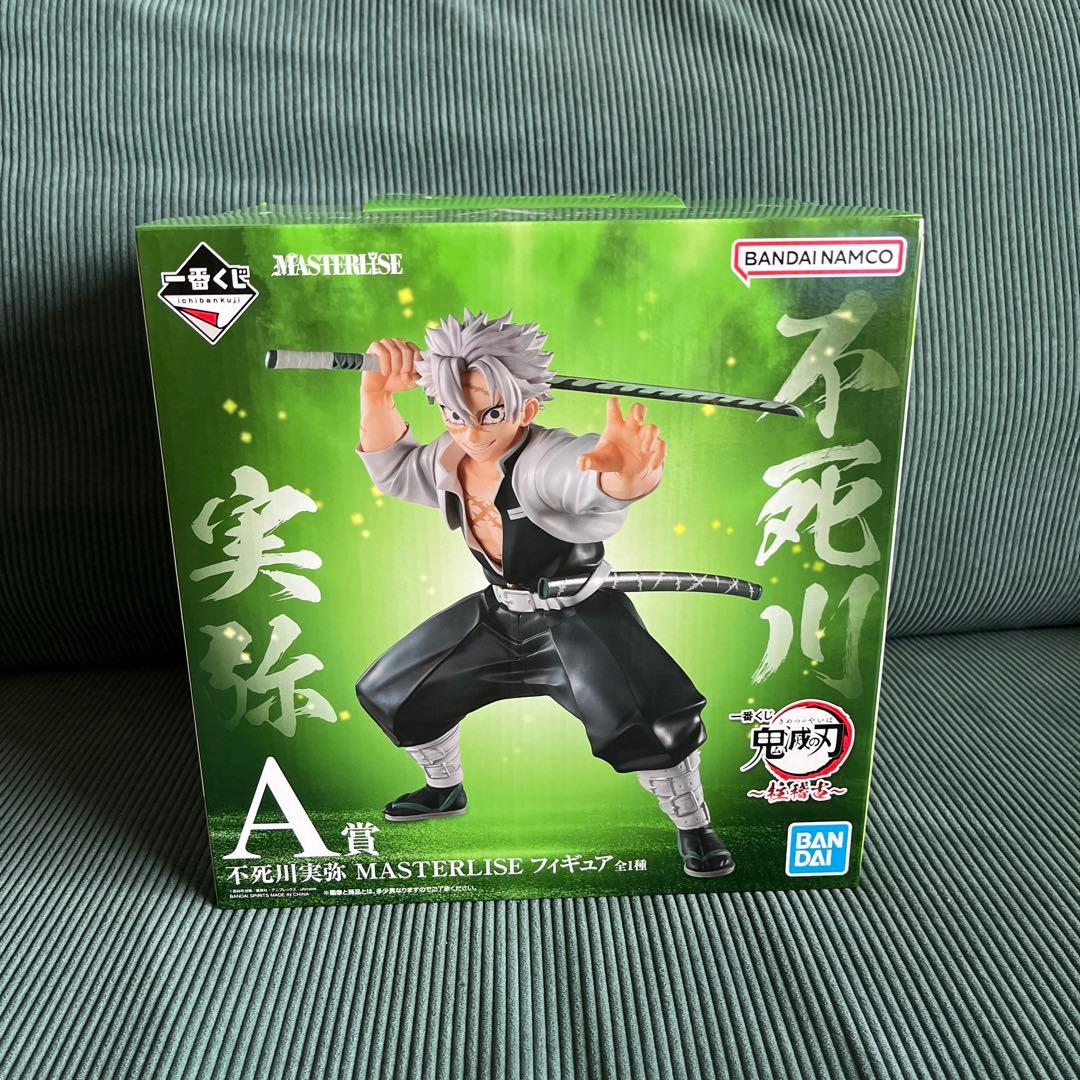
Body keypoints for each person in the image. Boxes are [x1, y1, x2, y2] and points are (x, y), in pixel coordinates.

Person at [354, 309, 734, 878]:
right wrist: (376, 394)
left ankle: (694, 826)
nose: (472, 431)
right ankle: (444, 788)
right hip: (499, 615)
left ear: (527, 408)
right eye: (455, 414)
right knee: (396, 689)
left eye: (491, 413)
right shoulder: (451, 457)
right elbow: (396, 468)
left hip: (581, 615)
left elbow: (584, 476)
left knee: (652, 719)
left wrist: (624, 477)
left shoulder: (544, 460)